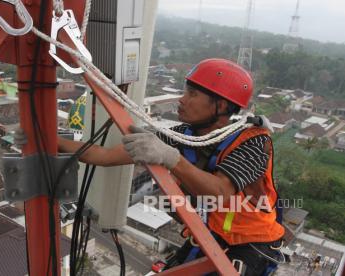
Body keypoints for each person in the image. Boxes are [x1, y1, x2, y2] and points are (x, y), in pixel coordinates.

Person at [58, 58, 285, 275]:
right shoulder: (183, 135)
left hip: (251, 245)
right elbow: (104, 155)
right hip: (209, 236)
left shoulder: (253, 142)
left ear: (221, 105)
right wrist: (47, 139)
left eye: (192, 94)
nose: (182, 99)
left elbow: (220, 192)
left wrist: (171, 158)